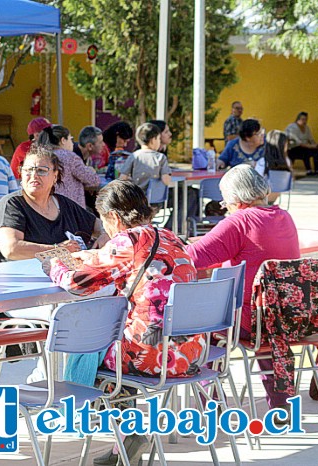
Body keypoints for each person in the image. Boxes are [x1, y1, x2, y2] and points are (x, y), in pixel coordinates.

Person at [43, 180, 201, 466]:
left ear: (114, 217)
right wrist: (95, 256)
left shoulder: (127, 241)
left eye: (105, 223)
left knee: (95, 350)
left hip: (151, 356)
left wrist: (56, 264)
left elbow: (77, 284)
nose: (105, 230)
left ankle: (129, 435)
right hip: (188, 354)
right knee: (116, 344)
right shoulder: (170, 237)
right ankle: (126, 444)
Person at [185, 164, 300, 410]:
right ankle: (281, 405)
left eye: (225, 202)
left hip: (251, 320)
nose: (225, 207)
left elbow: (193, 257)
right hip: (285, 316)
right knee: (259, 316)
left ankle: (212, 403)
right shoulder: (284, 216)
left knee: (200, 327)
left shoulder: (241, 221)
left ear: (236, 199)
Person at [0, 145, 107, 262]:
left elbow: (100, 225)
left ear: (55, 176)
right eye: (28, 170)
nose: (34, 175)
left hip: (62, 276)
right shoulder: (11, 204)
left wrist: (105, 234)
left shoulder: (64, 204)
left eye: (41, 170)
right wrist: (58, 249)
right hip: (19, 277)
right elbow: (11, 249)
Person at [37, 125, 100, 208]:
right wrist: (90, 171)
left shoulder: (40, 156)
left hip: (46, 209)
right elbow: (93, 180)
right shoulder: (70, 157)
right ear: (63, 140)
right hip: (70, 210)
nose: (73, 143)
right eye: (71, 139)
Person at [119, 123, 172, 190]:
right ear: (153, 140)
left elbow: (122, 178)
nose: (159, 141)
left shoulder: (133, 156)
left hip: (137, 197)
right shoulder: (161, 157)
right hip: (155, 198)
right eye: (158, 139)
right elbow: (166, 181)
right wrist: (168, 174)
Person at [255, 130, 292, 204]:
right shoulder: (287, 162)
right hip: (276, 196)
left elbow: (255, 183)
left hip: (260, 200)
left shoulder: (262, 162)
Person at [285, 111, 318, 177]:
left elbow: (311, 139)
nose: (305, 121)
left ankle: (317, 170)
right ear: (298, 119)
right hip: (293, 149)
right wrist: (311, 146)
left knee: (316, 150)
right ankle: (308, 170)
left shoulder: (306, 128)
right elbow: (298, 142)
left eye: (306, 119)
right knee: (305, 150)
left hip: (305, 147)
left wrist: (315, 145)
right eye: (302, 119)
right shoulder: (292, 128)